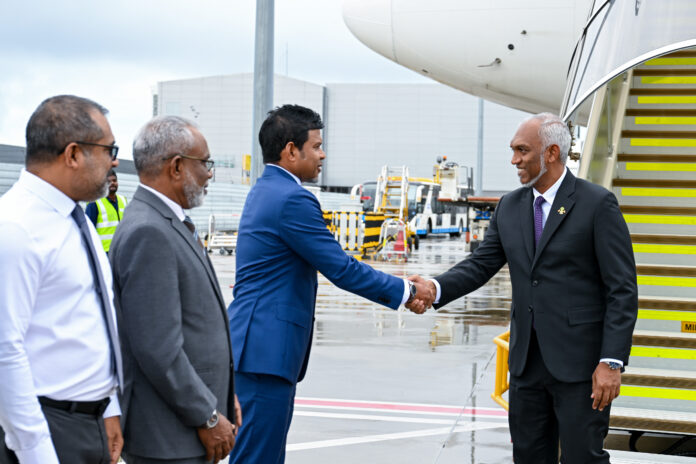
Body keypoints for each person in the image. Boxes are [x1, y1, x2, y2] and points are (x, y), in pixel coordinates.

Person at [408, 113, 638, 463]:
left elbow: (622, 290)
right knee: (528, 457)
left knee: (582, 458)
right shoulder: (510, 206)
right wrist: (434, 288)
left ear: (551, 153)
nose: (514, 159)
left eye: (522, 150)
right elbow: (480, 265)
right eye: (513, 150)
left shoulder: (596, 204)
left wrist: (611, 361)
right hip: (526, 364)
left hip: (581, 367)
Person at [227, 104, 434, 464]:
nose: (322, 155)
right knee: (258, 458)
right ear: (291, 151)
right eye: (317, 146)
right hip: (265, 351)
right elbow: (341, 268)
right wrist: (409, 291)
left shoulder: (267, 190)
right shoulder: (292, 199)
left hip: (259, 348)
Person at [109, 116, 240, 464]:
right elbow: (158, 349)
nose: (209, 174)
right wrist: (207, 415)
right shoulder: (149, 231)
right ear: (177, 166)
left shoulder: (168, 222)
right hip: (170, 435)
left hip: (186, 427)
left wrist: (223, 397)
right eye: (205, 163)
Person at [0, 95, 123, 464]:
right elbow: (5, 350)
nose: (115, 161)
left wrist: (108, 406)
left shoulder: (75, 218)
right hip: (47, 428)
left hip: (89, 421)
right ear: (73, 154)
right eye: (109, 149)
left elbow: (91, 318)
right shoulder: (16, 227)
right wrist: (35, 451)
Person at [86, 169, 128, 253]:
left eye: (114, 180)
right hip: (104, 251)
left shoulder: (123, 200)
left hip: (121, 249)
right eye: (108, 181)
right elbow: (88, 231)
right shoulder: (94, 203)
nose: (112, 183)